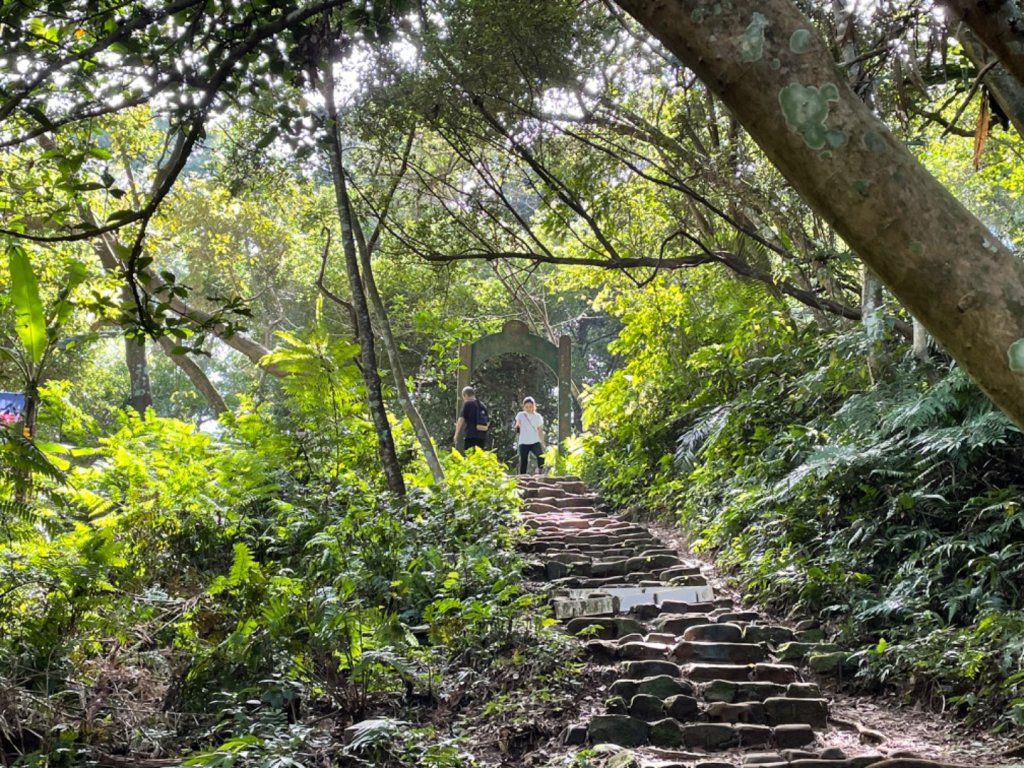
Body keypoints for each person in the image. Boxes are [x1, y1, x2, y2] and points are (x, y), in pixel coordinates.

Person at [514, 396, 545, 474]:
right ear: (524, 407)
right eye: (526, 407)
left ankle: (540, 473)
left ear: (533, 406)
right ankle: (522, 477)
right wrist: (517, 426)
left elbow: (540, 430)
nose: (528, 408)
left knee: (540, 456)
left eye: (530, 407)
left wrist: (542, 442)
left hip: (535, 441)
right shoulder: (520, 415)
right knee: (524, 460)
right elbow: (518, 423)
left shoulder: (538, 417)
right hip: (523, 441)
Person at [454, 386, 488, 451]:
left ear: (465, 395)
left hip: (471, 436)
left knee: (470, 457)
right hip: (482, 437)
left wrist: (456, 434)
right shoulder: (482, 406)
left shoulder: (468, 403)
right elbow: (487, 422)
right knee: (478, 457)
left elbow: (461, 419)